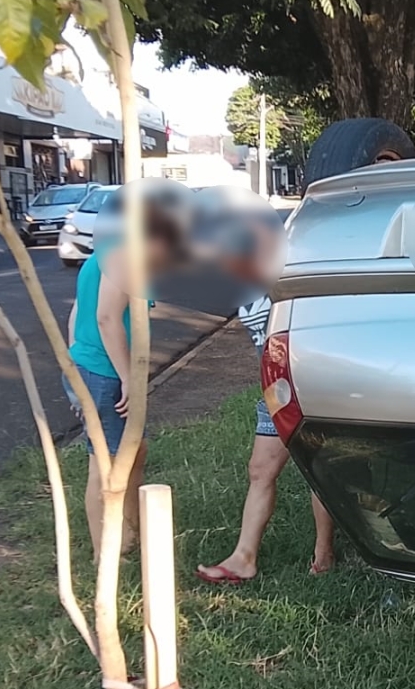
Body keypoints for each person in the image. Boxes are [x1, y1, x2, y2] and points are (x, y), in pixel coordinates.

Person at [65, 209, 180, 562]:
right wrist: (127, 378)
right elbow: (105, 317)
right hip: (105, 373)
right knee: (106, 463)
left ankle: (129, 531)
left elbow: (76, 312)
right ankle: (106, 552)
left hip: (91, 367)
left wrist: (73, 365)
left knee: (133, 450)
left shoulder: (107, 252)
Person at [195, 295, 334, 583]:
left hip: (310, 390)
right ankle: (243, 559)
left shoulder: (289, 280)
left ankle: (324, 556)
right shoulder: (245, 291)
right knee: (260, 470)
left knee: (318, 471)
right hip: (276, 394)